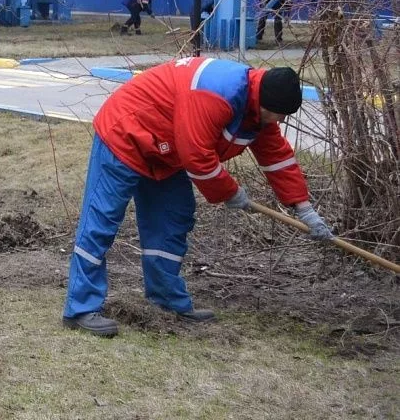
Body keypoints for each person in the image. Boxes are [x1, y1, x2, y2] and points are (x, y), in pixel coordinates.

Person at [61, 57, 334, 337]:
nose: (279, 121)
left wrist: (303, 207)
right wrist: (230, 192)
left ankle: (165, 299)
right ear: (263, 101)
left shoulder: (257, 109)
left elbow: (277, 158)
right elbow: (198, 158)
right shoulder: (215, 93)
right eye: (277, 114)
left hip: (167, 150)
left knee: (172, 220)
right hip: (125, 133)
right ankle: (81, 308)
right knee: (101, 220)